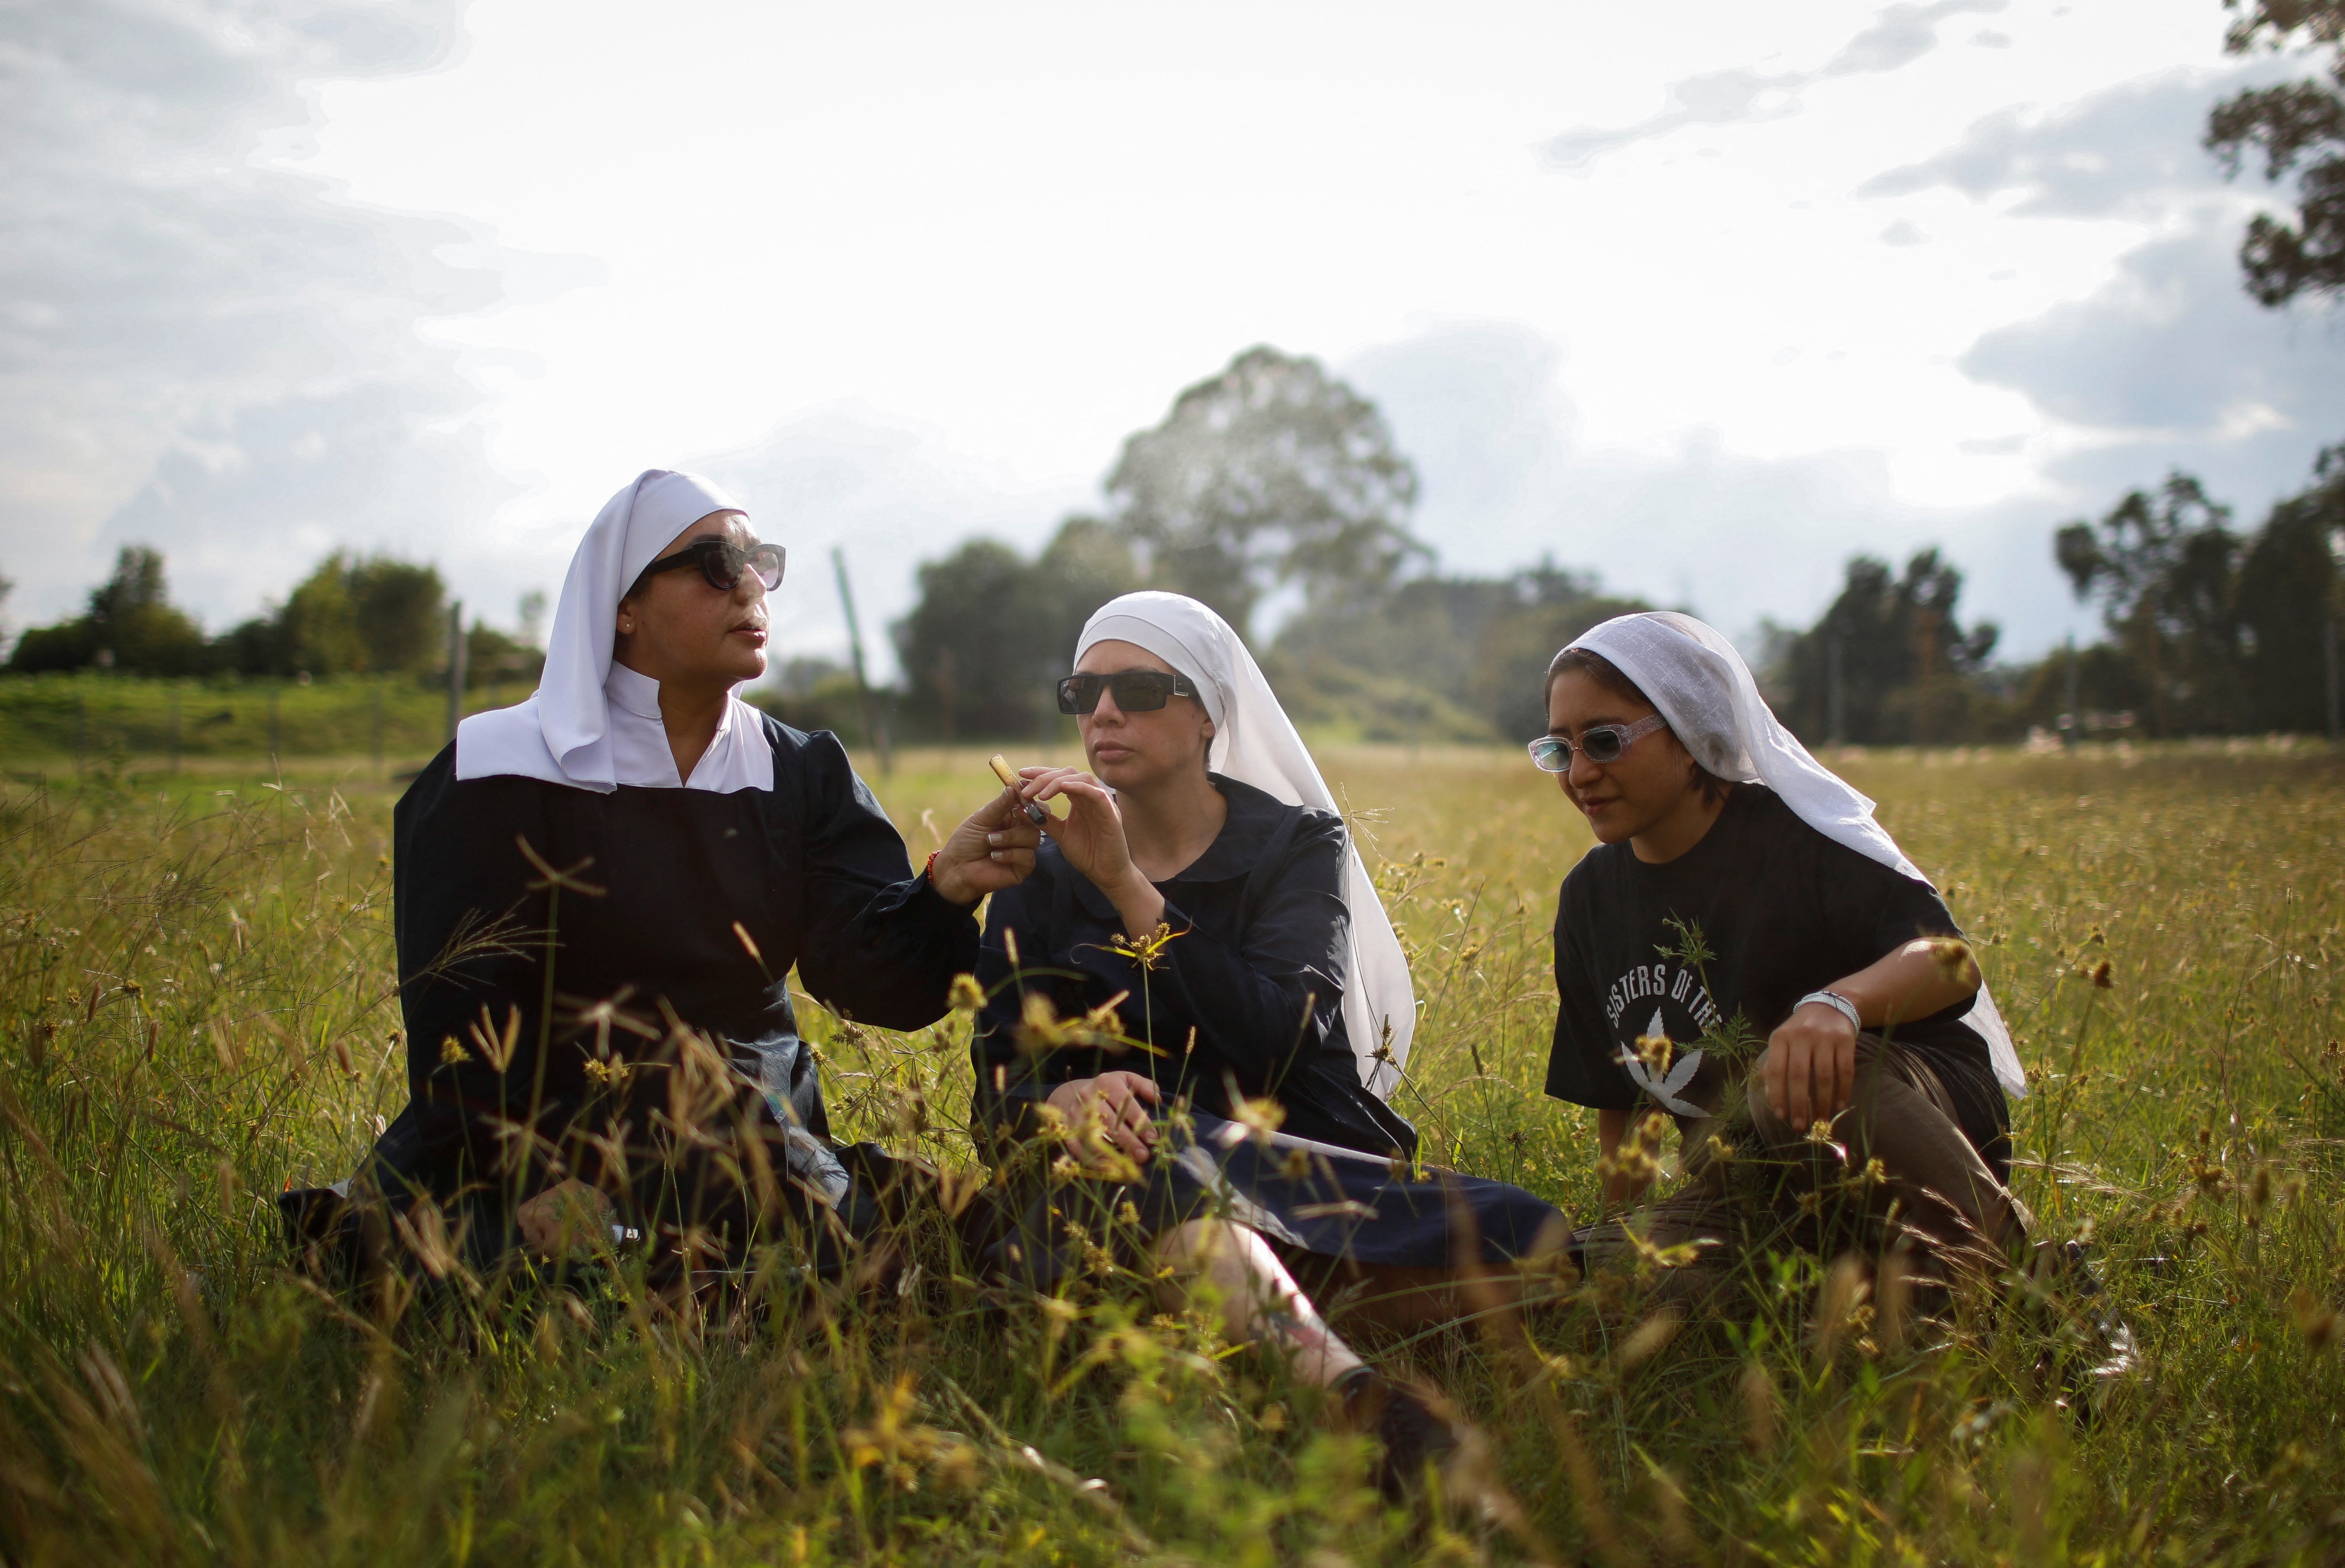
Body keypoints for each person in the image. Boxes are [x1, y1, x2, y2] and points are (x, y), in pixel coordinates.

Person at [335, 468, 1036, 1292]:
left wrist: (945, 890)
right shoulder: (496, 772)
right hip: (539, 1140)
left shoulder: (799, 772)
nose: (750, 586)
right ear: (623, 606)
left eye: (759, 562)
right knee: (501, 1273)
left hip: (749, 1134)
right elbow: (459, 1022)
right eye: (715, 563)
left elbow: (874, 985)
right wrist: (535, 1177)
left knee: (969, 1246)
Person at [969, 591, 1567, 1495]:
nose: (1102, 711)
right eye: (1082, 691)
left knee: (1538, 1238)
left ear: (1209, 711)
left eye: (1136, 686)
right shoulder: (1038, 875)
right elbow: (996, 1098)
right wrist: (1059, 1101)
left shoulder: (1295, 844)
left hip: (1298, 1166)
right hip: (1122, 1179)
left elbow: (1276, 1038)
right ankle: (1360, 1403)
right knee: (1153, 1139)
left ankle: (1241, 1319)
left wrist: (1131, 889)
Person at [1537, 611, 2028, 1312]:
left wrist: (1837, 1007)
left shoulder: (1797, 839)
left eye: (1607, 741)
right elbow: (1624, 1112)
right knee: (1574, 1280)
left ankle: (2033, 1285)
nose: (1581, 773)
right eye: (1561, 749)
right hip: (1753, 1187)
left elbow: (1952, 964)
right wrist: (1624, 1241)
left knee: (1783, 1083)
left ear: (1689, 728)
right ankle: (1862, 1304)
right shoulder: (1590, 899)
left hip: (1900, 1132)